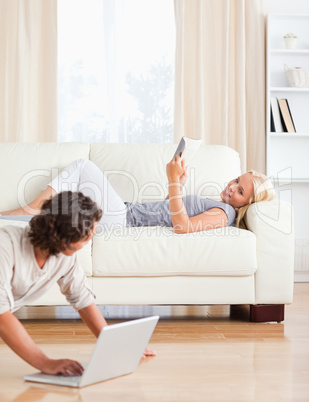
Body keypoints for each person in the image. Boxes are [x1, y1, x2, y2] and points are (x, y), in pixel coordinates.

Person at [0, 191, 155, 377]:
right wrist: (45, 363)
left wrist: (115, 345)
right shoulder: (5, 246)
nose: (92, 239)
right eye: (88, 237)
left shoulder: (62, 256)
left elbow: (82, 299)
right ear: (65, 237)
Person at [0, 154, 275, 233]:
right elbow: (168, 212)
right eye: (237, 180)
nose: (231, 186)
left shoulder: (225, 214)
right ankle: (8, 220)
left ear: (246, 204)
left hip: (124, 219)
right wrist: (178, 184)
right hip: (125, 211)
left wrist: (172, 182)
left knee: (83, 167)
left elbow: (183, 226)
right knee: (59, 215)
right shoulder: (218, 203)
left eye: (240, 191)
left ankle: (31, 208)